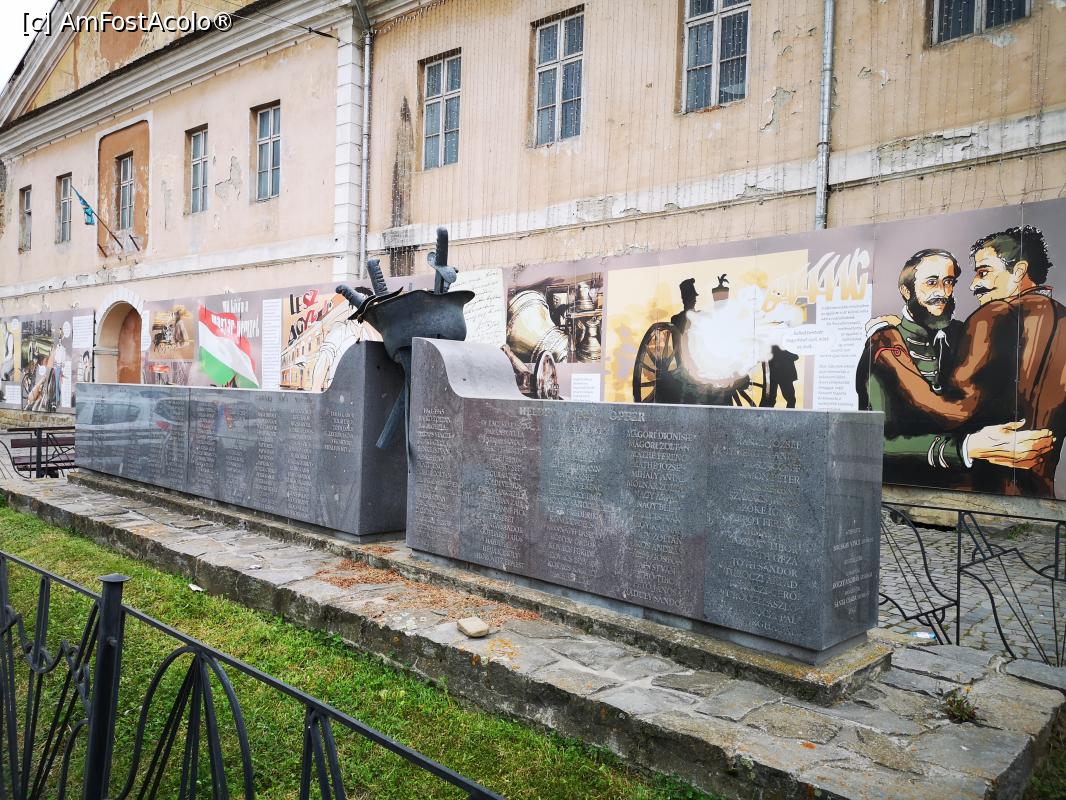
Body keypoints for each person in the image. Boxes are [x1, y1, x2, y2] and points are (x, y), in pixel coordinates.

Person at [863, 227, 1062, 496]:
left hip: (981, 495)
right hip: (1035, 494)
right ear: (906, 291)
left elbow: (952, 410)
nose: (949, 291)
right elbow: (876, 439)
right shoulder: (1059, 318)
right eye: (932, 282)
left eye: (949, 281)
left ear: (1018, 272)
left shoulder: (989, 318)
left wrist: (889, 346)